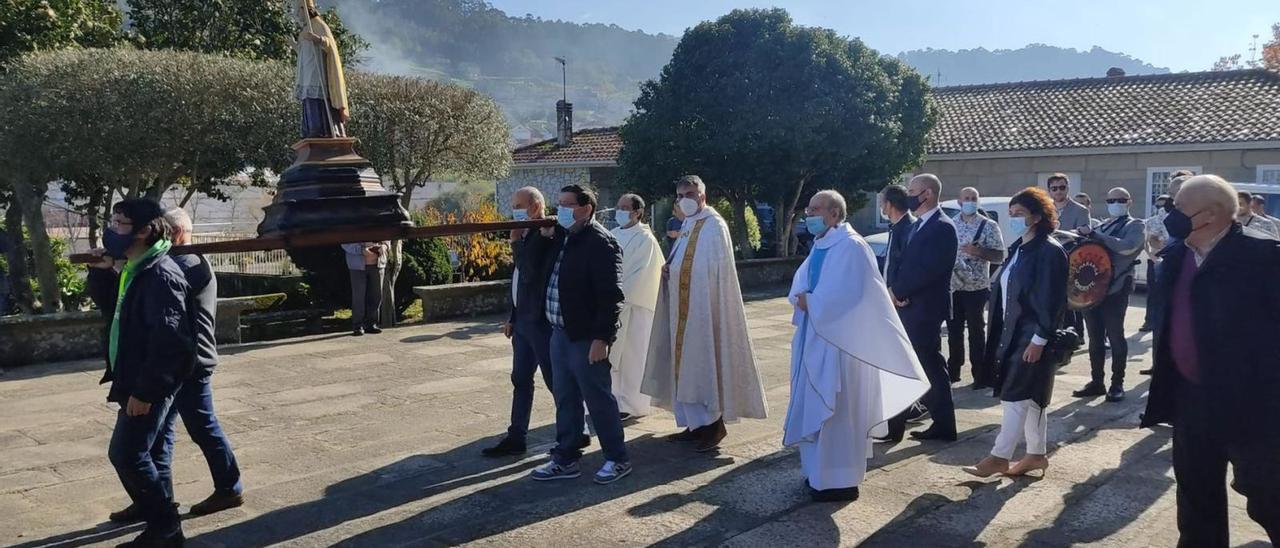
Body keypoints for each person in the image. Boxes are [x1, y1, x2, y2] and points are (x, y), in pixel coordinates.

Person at [1141, 174, 1280, 547]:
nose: (1171, 213)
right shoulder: (1175, 256)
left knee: (1267, 496)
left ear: (1210, 215)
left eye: (1179, 207)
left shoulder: (1264, 257)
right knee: (1196, 497)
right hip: (1190, 401)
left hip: (1251, 404)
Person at [785, 190, 930, 502]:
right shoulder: (822, 244)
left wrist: (811, 301)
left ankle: (839, 480)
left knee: (839, 411)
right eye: (808, 209)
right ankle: (817, 474)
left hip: (842, 346)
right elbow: (802, 280)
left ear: (835, 213)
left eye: (816, 208)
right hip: (816, 338)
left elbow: (848, 295)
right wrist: (803, 298)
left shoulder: (851, 246)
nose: (809, 214)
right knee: (817, 407)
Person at [86, 198, 194, 548]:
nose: (113, 230)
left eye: (121, 224)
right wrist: (101, 270)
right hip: (133, 375)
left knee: (127, 453)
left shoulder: (160, 275)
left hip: (148, 382)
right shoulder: (135, 268)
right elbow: (111, 308)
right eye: (113, 222)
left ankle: (165, 527)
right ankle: (157, 517)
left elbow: (170, 342)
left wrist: (146, 392)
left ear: (145, 230)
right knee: (150, 451)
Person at [643, 175, 768, 453]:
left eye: (689, 193)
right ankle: (694, 425)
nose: (683, 200)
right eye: (679, 195)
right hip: (682, 309)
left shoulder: (714, 226)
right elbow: (681, 260)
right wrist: (669, 269)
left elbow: (713, 271)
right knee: (685, 368)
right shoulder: (688, 225)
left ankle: (713, 425)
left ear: (702, 195)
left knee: (703, 364)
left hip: (703, 310)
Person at [528, 184, 631, 484]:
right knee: (565, 396)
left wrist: (603, 338)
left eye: (567, 204)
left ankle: (617, 457)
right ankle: (566, 455)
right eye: (558, 203)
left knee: (598, 398)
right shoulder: (561, 237)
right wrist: (542, 240)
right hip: (559, 332)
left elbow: (611, 296)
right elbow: (531, 268)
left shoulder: (601, 243)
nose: (559, 210)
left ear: (586, 208)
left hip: (586, 336)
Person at [964, 187, 1068, 478]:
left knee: (1014, 397)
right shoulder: (1020, 248)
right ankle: (1035, 454)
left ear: (1036, 217)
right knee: (1032, 397)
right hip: (1013, 333)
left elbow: (1052, 299)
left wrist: (1039, 339)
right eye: (1010, 214)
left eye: (1019, 214)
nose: (1013, 219)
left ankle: (999, 456)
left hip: (1032, 335)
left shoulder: (1050, 251)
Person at [484, 187, 561, 457]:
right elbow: (518, 282)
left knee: (555, 381)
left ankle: (574, 433)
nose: (516, 210)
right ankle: (516, 436)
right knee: (520, 379)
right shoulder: (526, 233)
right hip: (523, 323)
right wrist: (513, 316)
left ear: (536, 205)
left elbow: (529, 274)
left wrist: (515, 241)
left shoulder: (545, 235)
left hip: (542, 323)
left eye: (521, 205)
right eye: (513, 205)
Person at [887, 174, 959, 442]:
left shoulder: (941, 226)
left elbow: (928, 269)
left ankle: (944, 424)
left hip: (925, 309)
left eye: (912, 190)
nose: (908, 194)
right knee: (916, 364)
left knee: (929, 365)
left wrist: (899, 291)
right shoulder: (920, 225)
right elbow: (908, 264)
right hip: (912, 305)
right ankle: (899, 422)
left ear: (927, 194)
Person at [1072, 188, 1145, 403]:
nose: (1115, 203)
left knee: (1115, 336)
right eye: (1111, 200)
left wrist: (1095, 235)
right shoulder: (1102, 225)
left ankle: (1117, 383)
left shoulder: (1136, 225)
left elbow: (1128, 248)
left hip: (1116, 289)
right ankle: (1097, 382)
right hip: (1093, 289)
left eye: (1120, 200)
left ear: (1129, 202)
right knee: (1095, 338)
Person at [608, 194, 662, 419]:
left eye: (625, 208)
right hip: (612, 307)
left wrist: (616, 296)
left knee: (632, 358)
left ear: (638, 212)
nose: (619, 211)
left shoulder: (645, 240)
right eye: (618, 207)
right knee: (612, 359)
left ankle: (632, 404)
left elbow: (639, 275)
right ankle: (612, 400)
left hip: (635, 309)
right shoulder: (612, 234)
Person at [948, 187, 1005, 387]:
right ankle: (953, 370)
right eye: (967, 198)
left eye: (974, 198)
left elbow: (1000, 255)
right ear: (959, 201)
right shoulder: (951, 224)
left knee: (976, 331)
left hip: (977, 286)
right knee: (954, 331)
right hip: (954, 286)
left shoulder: (988, 226)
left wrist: (978, 251)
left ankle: (980, 374)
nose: (970, 202)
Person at [1139, 171, 1195, 376]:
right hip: (1166, 270)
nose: (1176, 198)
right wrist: (1157, 253)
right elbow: (1153, 242)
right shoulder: (1167, 215)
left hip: (1191, 277)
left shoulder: (1202, 216)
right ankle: (1159, 364)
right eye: (1174, 194)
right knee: (1161, 321)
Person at [293, 0, 349, 138]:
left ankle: (323, 129)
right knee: (308, 97)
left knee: (318, 97)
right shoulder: (304, 30)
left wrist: (317, 38)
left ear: (306, 10)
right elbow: (303, 51)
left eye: (299, 11)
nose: (298, 15)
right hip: (306, 71)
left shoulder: (319, 25)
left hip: (318, 72)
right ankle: (311, 129)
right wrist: (295, 46)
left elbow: (329, 45)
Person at [1140, 194, 1173, 332]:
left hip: (1171, 259)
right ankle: (1149, 321)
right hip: (1155, 260)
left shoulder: (1176, 220)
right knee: (1153, 293)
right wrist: (1152, 256)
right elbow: (1148, 241)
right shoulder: (1152, 221)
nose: (1160, 209)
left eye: (1163, 205)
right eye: (1158, 205)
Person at [341, 241, 386, 336]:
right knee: (358, 296)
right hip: (357, 266)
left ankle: (372, 323)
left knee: (376, 295)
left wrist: (384, 247)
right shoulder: (351, 225)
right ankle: (358, 325)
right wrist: (361, 250)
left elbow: (387, 237)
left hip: (378, 263)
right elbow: (345, 242)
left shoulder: (379, 225)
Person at [880, 184, 915, 280]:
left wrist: (895, 291)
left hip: (900, 293)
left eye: (882, 202)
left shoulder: (910, 229)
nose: (880, 206)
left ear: (889, 205)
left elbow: (907, 267)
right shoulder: (896, 227)